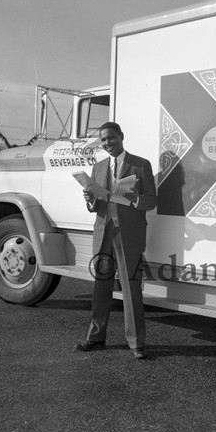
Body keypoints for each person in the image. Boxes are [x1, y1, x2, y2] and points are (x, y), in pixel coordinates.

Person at [76, 122, 157, 359]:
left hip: (128, 234)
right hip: (104, 232)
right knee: (100, 287)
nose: (107, 143)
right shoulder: (99, 167)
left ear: (121, 137)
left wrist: (135, 198)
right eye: (102, 140)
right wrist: (89, 199)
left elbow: (151, 201)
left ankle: (136, 344)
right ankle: (96, 338)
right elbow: (96, 206)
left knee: (131, 289)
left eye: (110, 138)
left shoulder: (141, 165)